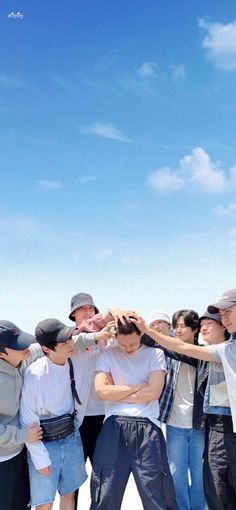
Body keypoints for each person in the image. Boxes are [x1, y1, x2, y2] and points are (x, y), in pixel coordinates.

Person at [132, 290, 236, 508]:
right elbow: (174, 349)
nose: (178, 331)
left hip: (204, 425)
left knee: (204, 479)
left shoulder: (211, 353)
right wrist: (144, 331)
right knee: (191, 478)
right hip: (193, 425)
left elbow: (182, 349)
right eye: (175, 326)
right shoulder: (220, 351)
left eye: (227, 313)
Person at [90, 318, 178, 510]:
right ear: (115, 337)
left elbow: (154, 393)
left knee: (157, 494)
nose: (128, 348)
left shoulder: (154, 354)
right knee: (105, 493)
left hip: (147, 426)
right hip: (114, 426)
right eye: (122, 344)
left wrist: (117, 391)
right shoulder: (107, 354)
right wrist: (138, 387)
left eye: (132, 343)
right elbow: (101, 392)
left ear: (141, 334)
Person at [20, 319, 88, 510]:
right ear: (47, 349)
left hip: (71, 437)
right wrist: (39, 456)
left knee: (69, 493)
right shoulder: (35, 374)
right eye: (63, 343)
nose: (70, 345)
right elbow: (28, 418)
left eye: (70, 339)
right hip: (44, 442)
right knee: (44, 503)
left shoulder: (73, 362)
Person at [157, 310, 206, 510]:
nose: (177, 330)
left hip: (199, 425)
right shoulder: (170, 354)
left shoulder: (204, 354)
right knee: (176, 474)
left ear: (194, 329)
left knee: (199, 474)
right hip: (175, 423)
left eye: (182, 326)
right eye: (175, 326)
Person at [0, 320, 43, 510]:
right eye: (18, 345)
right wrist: (24, 435)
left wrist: (93, 337)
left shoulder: (20, 358)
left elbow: (52, 345)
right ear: (1, 353)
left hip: (18, 455)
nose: (25, 347)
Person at [69, 292, 106, 465]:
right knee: (73, 474)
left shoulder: (106, 339)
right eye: (81, 308)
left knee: (103, 471)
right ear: (72, 314)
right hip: (76, 416)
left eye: (90, 308)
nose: (87, 312)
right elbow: (74, 342)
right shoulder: (68, 338)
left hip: (103, 414)